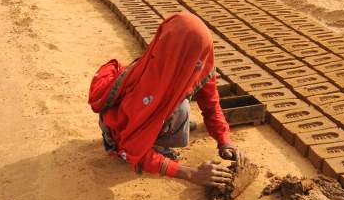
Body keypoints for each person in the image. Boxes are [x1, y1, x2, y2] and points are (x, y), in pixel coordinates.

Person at [89, 12, 245, 187]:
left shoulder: (197, 63)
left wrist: (225, 141)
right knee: (179, 111)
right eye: (193, 56)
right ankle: (151, 143)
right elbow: (132, 148)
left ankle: (159, 131)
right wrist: (190, 173)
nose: (199, 62)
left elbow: (211, 104)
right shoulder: (148, 88)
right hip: (121, 133)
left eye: (201, 53)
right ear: (175, 52)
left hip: (147, 117)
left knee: (181, 107)